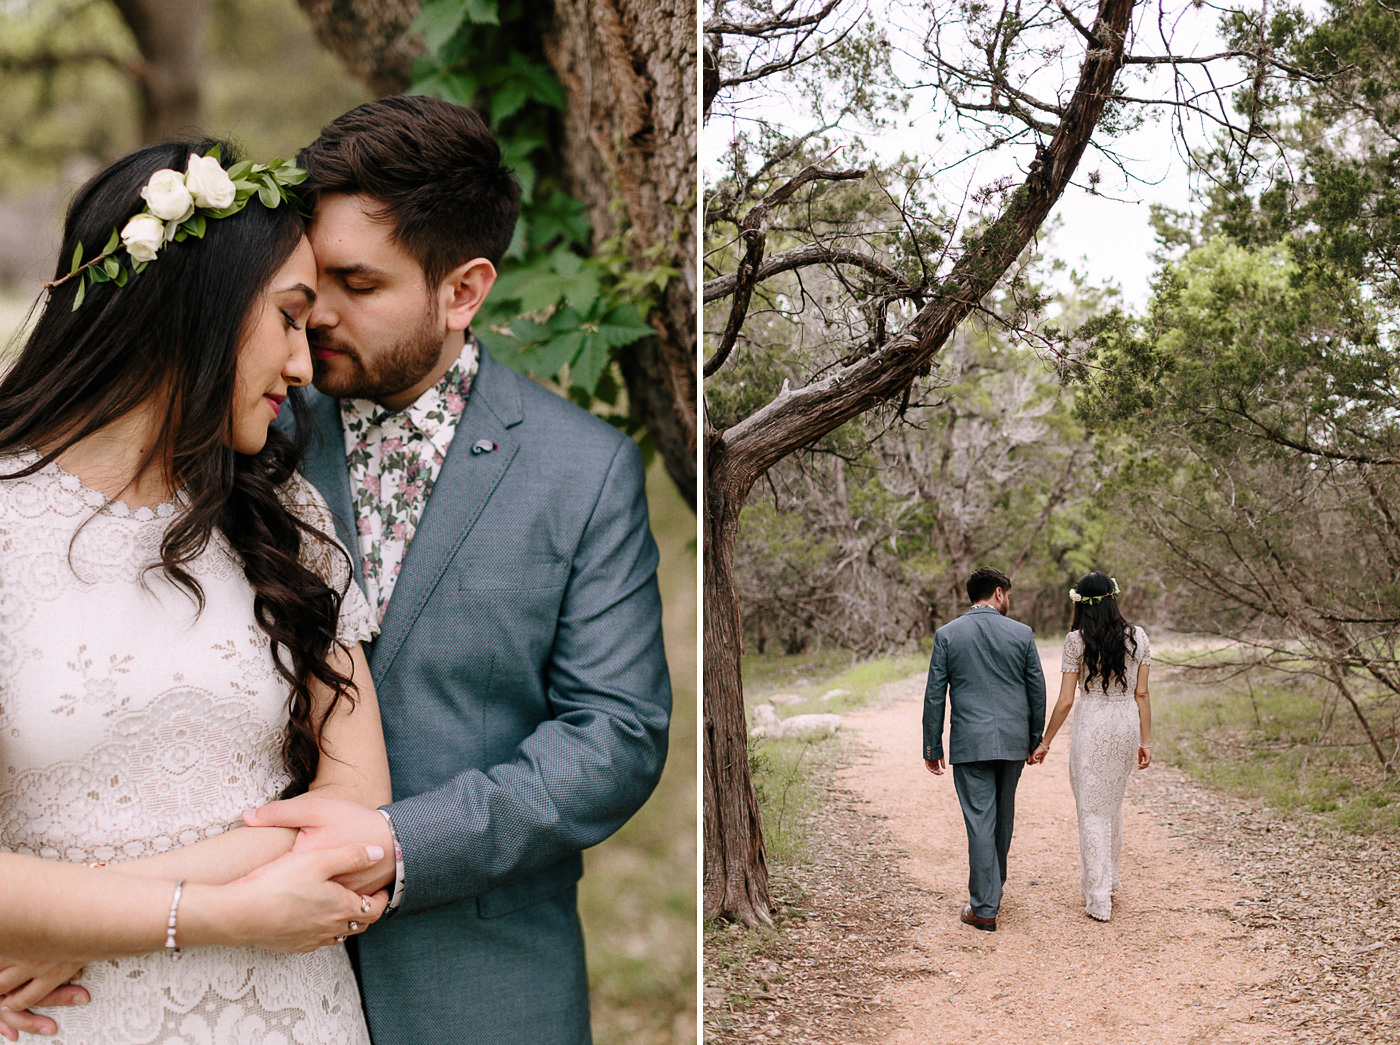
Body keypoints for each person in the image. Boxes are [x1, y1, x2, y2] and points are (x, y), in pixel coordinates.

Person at [240, 95, 672, 1045]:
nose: (319, 314)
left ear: (464, 290)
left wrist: (403, 842)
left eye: (359, 282)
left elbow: (616, 734)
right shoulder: (244, 429)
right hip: (240, 975)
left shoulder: (585, 469)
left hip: (481, 981)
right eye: (315, 279)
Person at [0, 140, 395, 1043]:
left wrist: (68, 922)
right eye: (290, 319)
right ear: (199, 305)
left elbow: (359, 806)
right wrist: (214, 914)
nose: (304, 366)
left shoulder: (285, 513)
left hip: (294, 1012)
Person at [923, 566, 1046, 932]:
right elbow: (1036, 689)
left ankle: (984, 907)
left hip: (969, 742)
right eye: (1007, 594)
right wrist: (1033, 739)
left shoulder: (947, 634)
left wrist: (933, 745)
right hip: (1012, 742)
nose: (1008, 601)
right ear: (997, 592)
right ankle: (993, 892)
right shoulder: (1022, 633)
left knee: (980, 820)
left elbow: (935, 693)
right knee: (1002, 818)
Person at [1029, 571, 1152, 921]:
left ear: (1080, 604)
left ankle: (1099, 897)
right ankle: (1109, 882)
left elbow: (1067, 699)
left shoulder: (1075, 640)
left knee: (1092, 809)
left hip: (1093, 722)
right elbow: (1142, 693)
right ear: (1114, 597)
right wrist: (1146, 740)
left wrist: (1045, 741)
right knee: (1111, 805)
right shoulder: (1138, 637)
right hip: (1126, 721)